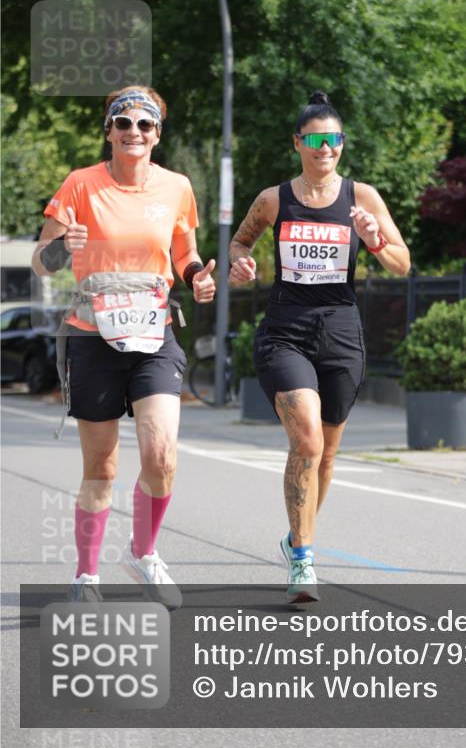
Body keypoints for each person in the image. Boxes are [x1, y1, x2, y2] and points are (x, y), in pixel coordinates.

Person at [32, 86, 216, 606]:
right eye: (124, 122)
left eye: (145, 124)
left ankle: (143, 552)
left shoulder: (177, 187)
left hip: (154, 335)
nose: (134, 132)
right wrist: (60, 247)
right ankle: (86, 576)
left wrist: (198, 277)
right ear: (109, 131)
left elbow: (184, 254)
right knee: (103, 468)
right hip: (92, 337)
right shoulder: (80, 184)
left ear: (157, 134)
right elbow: (41, 262)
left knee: (161, 453)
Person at [229, 91, 410, 601]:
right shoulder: (273, 199)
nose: (325, 148)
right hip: (285, 331)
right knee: (307, 442)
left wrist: (375, 239)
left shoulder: (362, 197)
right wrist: (241, 262)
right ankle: (304, 560)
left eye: (333, 139)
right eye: (314, 140)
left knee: (326, 456)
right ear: (298, 144)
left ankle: (295, 538)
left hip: (341, 334)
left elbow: (402, 263)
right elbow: (240, 241)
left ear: (342, 144)